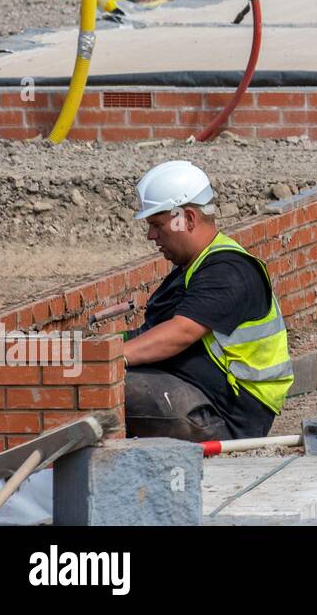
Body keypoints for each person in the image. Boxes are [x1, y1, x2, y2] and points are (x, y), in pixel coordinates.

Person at [122, 161, 293, 442]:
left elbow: (179, 334)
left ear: (188, 218)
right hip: (202, 400)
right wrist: (93, 348)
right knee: (93, 376)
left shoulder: (228, 270)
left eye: (156, 225)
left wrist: (109, 360)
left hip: (227, 418)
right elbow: (151, 333)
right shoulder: (194, 269)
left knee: (105, 385)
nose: (151, 236)